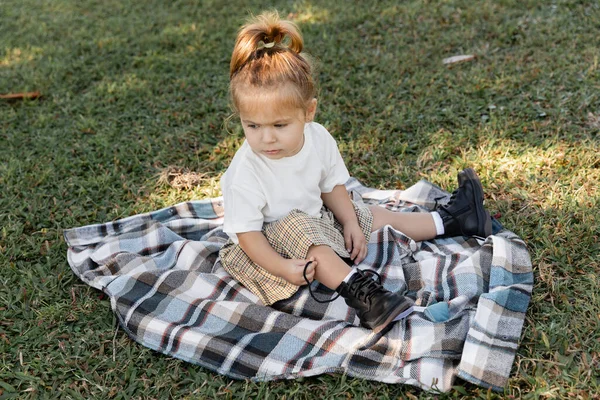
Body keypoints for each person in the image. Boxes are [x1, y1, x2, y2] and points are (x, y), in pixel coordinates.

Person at [218, 11, 492, 333]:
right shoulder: (247, 171)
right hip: (267, 247)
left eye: (279, 125)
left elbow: (330, 187)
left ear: (308, 112)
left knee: (370, 214)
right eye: (252, 126)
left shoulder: (317, 138)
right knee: (303, 231)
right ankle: (367, 300)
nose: (267, 138)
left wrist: (349, 221)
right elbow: (249, 237)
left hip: (314, 218)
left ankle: (451, 220)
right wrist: (282, 268)